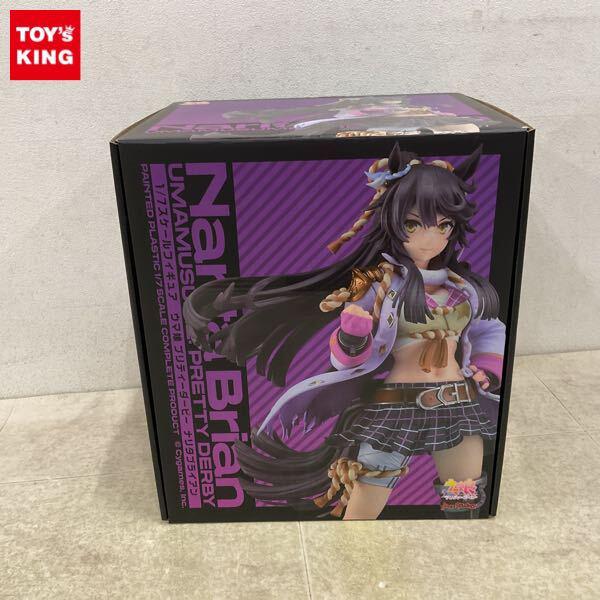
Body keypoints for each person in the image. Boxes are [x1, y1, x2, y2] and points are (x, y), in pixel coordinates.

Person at [183, 143, 505, 519]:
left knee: (464, 497)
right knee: (363, 507)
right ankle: (352, 552)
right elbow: (346, 360)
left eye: (443, 225)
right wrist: (353, 336)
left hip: (458, 404)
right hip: (395, 408)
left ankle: (461, 547)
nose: (430, 238)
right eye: (413, 224)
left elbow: (488, 329)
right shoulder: (380, 285)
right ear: (393, 222)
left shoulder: (463, 288)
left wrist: (488, 368)